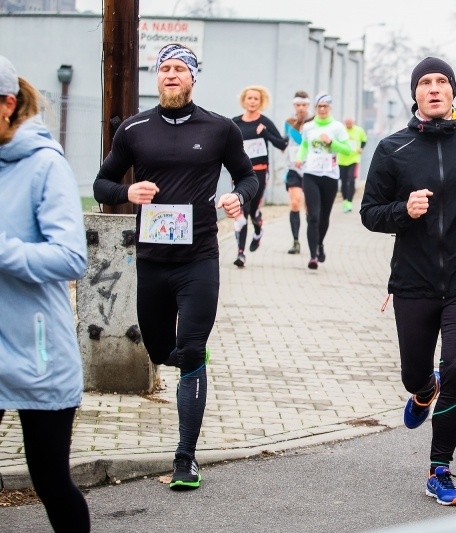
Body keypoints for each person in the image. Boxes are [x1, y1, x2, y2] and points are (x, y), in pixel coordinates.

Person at [93, 43, 258, 490]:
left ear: (192, 78)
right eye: (164, 68)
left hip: (199, 257)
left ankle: (185, 457)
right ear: (157, 77)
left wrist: (238, 197)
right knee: (159, 348)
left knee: (189, 350)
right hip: (152, 260)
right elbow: (102, 183)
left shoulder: (220, 128)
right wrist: (128, 194)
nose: (171, 74)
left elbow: (248, 176)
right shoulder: (134, 129)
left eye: (179, 69)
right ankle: (187, 355)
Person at [360, 57, 456, 506]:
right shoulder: (393, 149)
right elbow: (370, 212)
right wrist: (401, 211)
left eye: (442, 82)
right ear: (415, 94)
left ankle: (440, 469)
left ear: (453, 92)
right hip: (413, 281)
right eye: (425, 83)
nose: (434, 89)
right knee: (417, 373)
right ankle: (421, 389)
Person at [0, 55, 91, 531]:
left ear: (8, 104)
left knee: (50, 480)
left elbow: (70, 258)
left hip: (38, 354)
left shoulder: (44, 165)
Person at [231, 85, 288, 267]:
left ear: (261, 101)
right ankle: (241, 253)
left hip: (260, 171)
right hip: (240, 172)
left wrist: (266, 133)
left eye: (256, 99)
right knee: (242, 211)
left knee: (253, 210)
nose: (253, 101)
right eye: (250, 98)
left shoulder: (264, 122)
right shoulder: (235, 123)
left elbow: (282, 144)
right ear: (244, 100)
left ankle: (258, 226)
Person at [294, 93, 352, 269]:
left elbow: (347, 150)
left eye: (325, 106)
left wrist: (332, 142)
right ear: (315, 108)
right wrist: (299, 157)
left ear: (330, 108)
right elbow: (304, 145)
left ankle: (320, 244)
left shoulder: (337, 127)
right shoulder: (308, 127)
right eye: (319, 106)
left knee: (324, 215)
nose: (322, 109)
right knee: (313, 216)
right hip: (311, 174)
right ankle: (313, 256)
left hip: (330, 176)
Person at [283, 90, 313, 255]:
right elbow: (284, 141)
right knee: (295, 202)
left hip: (311, 168)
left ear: (308, 105)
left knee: (309, 206)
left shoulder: (315, 121)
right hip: (293, 168)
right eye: (298, 105)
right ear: (294, 105)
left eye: (304, 105)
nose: (301, 108)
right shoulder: (288, 122)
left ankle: (312, 240)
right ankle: (295, 241)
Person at [337, 117, 367, 213]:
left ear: (353, 122)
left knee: (351, 180)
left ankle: (350, 202)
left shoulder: (359, 130)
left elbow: (364, 140)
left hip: (354, 159)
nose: (349, 125)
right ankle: (345, 200)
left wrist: (361, 148)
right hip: (342, 160)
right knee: (344, 181)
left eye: (350, 123)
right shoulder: (341, 131)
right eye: (347, 123)